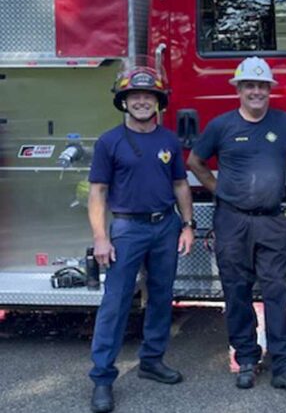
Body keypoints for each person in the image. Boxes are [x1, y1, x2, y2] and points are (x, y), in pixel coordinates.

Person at [187, 56, 286, 395]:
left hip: (272, 220)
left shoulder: (284, 122)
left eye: (261, 86)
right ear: (239, 90)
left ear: (269, 89)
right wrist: (218, 189)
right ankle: (245, 358)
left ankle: (285, 366)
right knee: (237, 291)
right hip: (231, 221)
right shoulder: (221, 125)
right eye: (249, 86)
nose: (256, 91)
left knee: (276, 292)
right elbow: (195, 162)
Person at [88, 66, 195, 413]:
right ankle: (103, 379)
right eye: (135, 96)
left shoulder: (168, 141)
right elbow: (98, 192)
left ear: (158, 101)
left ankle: (151, 361)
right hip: (127, 230)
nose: (141, 102)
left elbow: (180, 185)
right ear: (123, 101)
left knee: (162, 297)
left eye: (148, 96)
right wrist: (101, 238)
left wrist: (188, 225)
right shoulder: (109, 142)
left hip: (166, 226)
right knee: (116, 304)